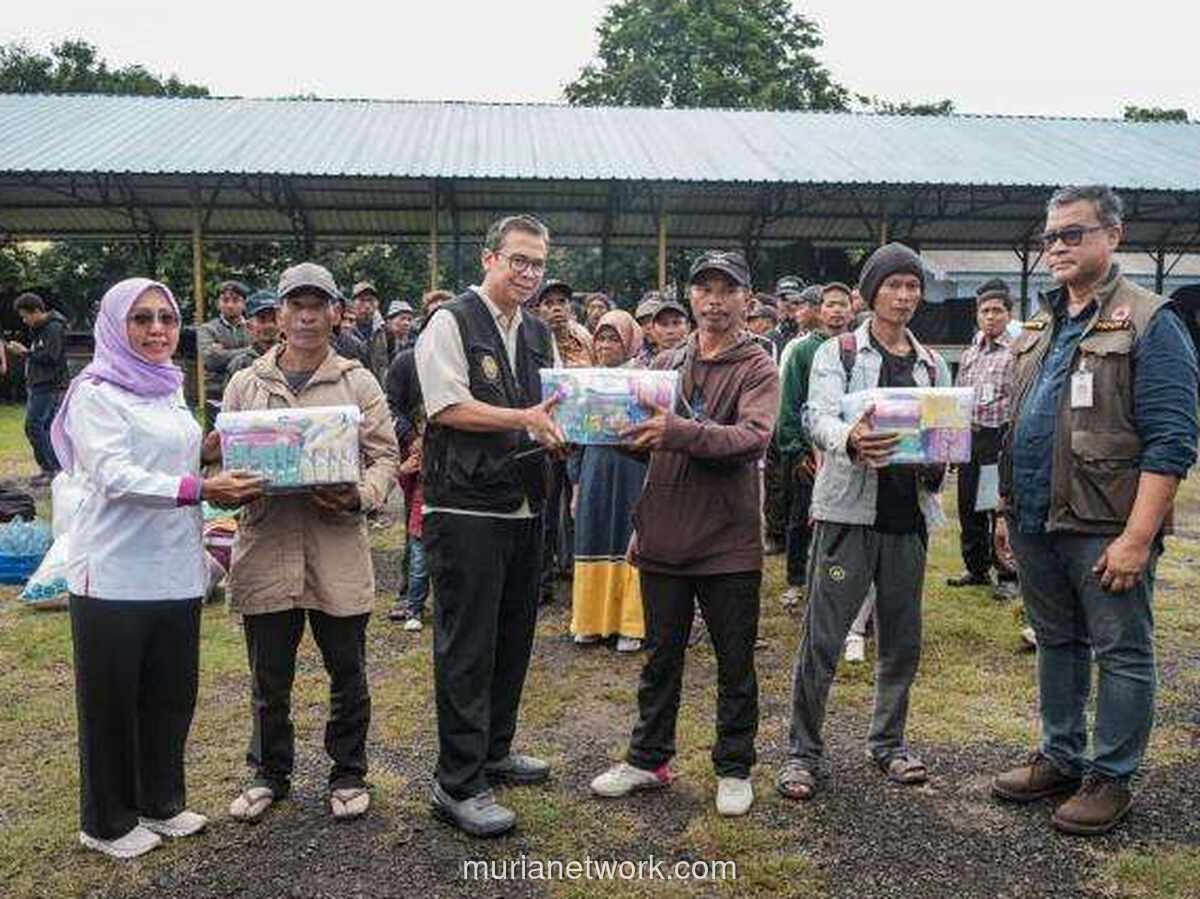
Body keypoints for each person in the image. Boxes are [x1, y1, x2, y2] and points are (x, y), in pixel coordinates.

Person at [991, 185, 1199, 836]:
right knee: (1056, 641)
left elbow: (1172, 439)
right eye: (1050, 236)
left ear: (1114, 236)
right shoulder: (1043, 320)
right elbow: (1017, 422)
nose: (1056, 246)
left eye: (1072, 234)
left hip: (1105, 524)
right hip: (1034, 516)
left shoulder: (1151, 320)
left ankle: (1110, 776)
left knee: (1122, 650)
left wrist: (1138, 537)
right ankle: (1061, 755)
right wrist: (1003, 510)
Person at [50, 278, 265, 859]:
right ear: (115, 326)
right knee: (112, 703)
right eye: (141, 319)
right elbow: (113, 475)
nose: (156, 331)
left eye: (166, 319)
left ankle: (161, 802)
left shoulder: (167, 387)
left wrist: (237, 442)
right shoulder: (96, 392)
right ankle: (107, 822)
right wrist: (202, 487)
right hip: (115, 574)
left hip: (173, 569)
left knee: (169, 696)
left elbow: (177, 454)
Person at [589, 249, 779, 819]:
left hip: (728, 539)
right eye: (704, 289)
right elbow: (647, 439)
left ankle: (734, 765)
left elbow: (752, 439)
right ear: (690, 296)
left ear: (747, 299)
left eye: (727, 289)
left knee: (734, 660)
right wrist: (612, 430)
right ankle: (649, 758)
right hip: (665, 532)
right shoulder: (666, 364)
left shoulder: (758, 367)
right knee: (660, 655)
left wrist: (679, 431)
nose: (715, 300)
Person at [222, 262, 400, 824]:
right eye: (294, 306)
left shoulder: (356, 382)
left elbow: (386, 457)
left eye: (316, 305)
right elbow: (226, 461)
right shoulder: (246, 383)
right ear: (277, 316)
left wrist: (361, 496)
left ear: (335, 313)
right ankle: (268, 773)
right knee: (268, 677)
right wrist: (228, 484)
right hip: (267, 544)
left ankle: (348, 772)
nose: (305, 316)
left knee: (347, 671)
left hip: (335, 547)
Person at [778, 242, 951, 802]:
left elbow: (943, 432)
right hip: (847, 513)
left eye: (913, 286)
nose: (904, 296)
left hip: (908, 517)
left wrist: (942, 452)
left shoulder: (932, 364)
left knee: (901, 639)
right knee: (823, 639)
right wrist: (849, 438)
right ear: (871, 292)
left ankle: (889, 743)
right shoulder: (840, 353)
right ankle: (802, 752)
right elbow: (818, 416)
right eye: (894, 285)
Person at [415, 214, 564, 837]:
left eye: (537, 263)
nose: (528, 274)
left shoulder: (536, 331)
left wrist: (567, 427)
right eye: (518, 261)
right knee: (467, 646)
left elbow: (556, 404)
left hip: (525, 504)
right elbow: (446, 405)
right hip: (466, 506)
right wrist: (526, 418)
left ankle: (495, 750)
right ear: (488, 259)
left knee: (512, 637)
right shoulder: (450, 321)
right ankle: (458, 782)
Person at [568, 309, 648, 653]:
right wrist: (575, 485)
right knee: (592, 535)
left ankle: (630, 624)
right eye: (600, 337)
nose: (604, 344)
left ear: (630, 341)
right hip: (595, 470)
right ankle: (590, 621)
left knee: (628, 540)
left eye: (613, 338)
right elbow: (574, 438)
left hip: (633, 469)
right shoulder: (585, 382)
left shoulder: (646, 380)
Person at [776, 282, 853, 610]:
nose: (836, 310)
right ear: (819, 310)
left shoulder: (857, 347)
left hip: (849, 450)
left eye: (842, 304)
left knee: (842, 524)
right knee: (801, 516)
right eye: (830, 304)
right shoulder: (802, 349)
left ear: (852, 309)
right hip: (809, 452)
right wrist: (797, 449)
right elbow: (789, 402)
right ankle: (796, 581)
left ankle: (838, 580)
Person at [947, 278, 1019, 599]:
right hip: (969, 437)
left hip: (998, 439)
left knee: (995, 506)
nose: (991, 317)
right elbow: (960, 396)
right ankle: (976, 569)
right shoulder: (970, 353)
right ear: (977, 315)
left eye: (997, 311)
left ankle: (1007, 574)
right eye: (985, 311)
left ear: (1009, 314)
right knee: (967, 506)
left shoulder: (1016, 353)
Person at [8, 292, 70, 484]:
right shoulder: (41, 329)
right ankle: (53, 469)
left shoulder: (53, 328)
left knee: (33, 426)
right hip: (40, 384)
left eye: (25, 316)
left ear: (35, 311)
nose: (24, 321)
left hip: (49, 385)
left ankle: (51, 469)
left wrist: (25, 352)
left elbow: (51, 357)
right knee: (46, 427)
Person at [196, 280, 249, 412]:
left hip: (249, 393)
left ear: (244, 304)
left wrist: (224, 353)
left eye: (235, 300)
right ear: (218, 304)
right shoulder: (207, 329)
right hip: (216, 396)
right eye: (225, 300)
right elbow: (212, 360)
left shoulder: (253, 328)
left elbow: (263, 355)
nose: (230, 305)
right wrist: (250, 350)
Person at [225, 289, 281, 387]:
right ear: (249, 326)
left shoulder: (294, 359)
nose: (269, 325)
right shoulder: (240, 364)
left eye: (274, 319)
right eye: (262, 320)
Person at [351, 281, 392, 383]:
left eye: (371, 300)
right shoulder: (344, 329)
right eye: (362, 300)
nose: (367, 306)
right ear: (353, 303)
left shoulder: (385, 331)